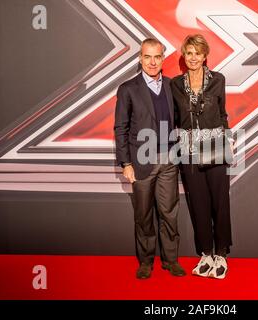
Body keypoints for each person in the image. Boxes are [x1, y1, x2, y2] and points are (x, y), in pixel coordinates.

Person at [114, 38, 186, 279]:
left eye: (157, 57)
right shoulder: (128, 89)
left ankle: (171, 260)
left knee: (169, 212)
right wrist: (125, 163)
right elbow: (121, 128)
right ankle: (145, 262)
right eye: (148, 57)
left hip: (169, 160)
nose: (153, 62)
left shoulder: (171, 85)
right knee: (143, 215)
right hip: (141, 161)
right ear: (140, 58)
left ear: (163, 58)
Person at [171, 34, 232, 279]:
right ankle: (206, 253)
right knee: (198, 203)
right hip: (188, 149)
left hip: (215, 145)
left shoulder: (218, 80)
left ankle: (221, 254)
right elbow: (175, 117)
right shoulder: (175, 84)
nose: (193, 57)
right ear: (184, 56)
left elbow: (223, 112)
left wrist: (227, 141)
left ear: (205, 55)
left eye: (197, 52)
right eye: (189, 53)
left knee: (220, 203)